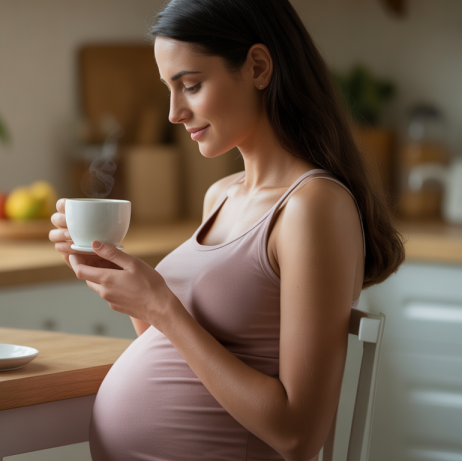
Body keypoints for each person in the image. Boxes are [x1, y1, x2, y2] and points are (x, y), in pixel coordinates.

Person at [51, 0, 405, 460]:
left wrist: (161, 304)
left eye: (191, 85)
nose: (175, 112)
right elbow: (185, 356)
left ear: (258, 66)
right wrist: (118, 279)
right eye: (169, 90)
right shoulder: (220, 195)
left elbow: (298, 436)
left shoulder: (312, 207)